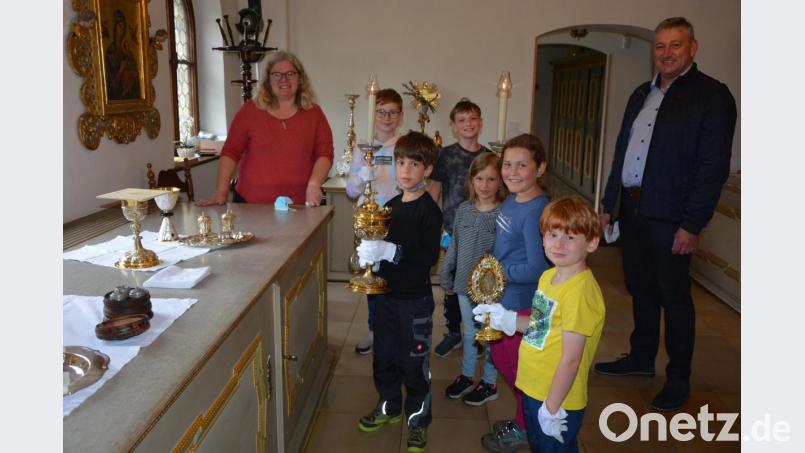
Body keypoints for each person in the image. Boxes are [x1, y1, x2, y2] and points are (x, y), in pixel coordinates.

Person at [593, 17, 737, 412]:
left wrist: (693, 223)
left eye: (676, 45)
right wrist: (610, 205)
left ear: (693, 48)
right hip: (633, 208)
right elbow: (622, 151)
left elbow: (713, 167)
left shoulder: (712, 96)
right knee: (640, 288)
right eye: (660, 46)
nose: (667, 53)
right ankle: (641, 359)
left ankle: (678, 377)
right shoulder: (642, 93)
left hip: (673, 217)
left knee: (674, 299)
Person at [474, 197, 605, 452]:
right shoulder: (548, 277)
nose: (558, 243)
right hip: (533, 385)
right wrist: (507, 319)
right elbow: (540, 325)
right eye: (552, 234)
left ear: (591, 243)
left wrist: (552, 408)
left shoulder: (581, 293)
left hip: (557, 398)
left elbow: (571, 359)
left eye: (570, 237)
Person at [355, 131, 442, 453]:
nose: (405, 170)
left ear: (428, 169)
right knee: (384, 358)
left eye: (414, 164)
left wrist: (392, 252)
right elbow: (379, 247)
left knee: (414, 363)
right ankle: (389, 407)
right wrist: (371, 259)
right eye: (400, 162)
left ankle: (417, 421)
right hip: (385, 298)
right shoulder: (389, 206)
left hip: (414, 303)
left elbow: (427, 258)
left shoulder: (428, 212)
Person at [481, 134, 551, 453]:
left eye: (522, 165)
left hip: (522, 306)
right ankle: (523, 417)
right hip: (503, 300)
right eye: (507, 164)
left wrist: (496, 273)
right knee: (500, 357)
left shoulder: (537, 209)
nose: (511, 171)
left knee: (522, 372)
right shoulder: (512, 198)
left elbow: (537, 268)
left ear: (540, 169)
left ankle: (526, 427)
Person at [197, 51, 333, 207]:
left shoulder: (314, 113)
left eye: (290, 73)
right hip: (250, 205)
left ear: (300, 78)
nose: (284, 79)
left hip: (299, 205)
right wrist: (221, 192)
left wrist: (314, 185)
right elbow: (231, 152)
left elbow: (325, 153)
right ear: (268, 80)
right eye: (276, 74)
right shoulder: (249, 111)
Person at [440, 153, 506, 406]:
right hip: (462, 285)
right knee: (469, 333)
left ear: (500, 181)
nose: (485, 185)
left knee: (488, 335)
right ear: (471, 180)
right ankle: (467, 375)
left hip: (490, 290)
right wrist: (447, 274)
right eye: (480, 178)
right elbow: (454, 246)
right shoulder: (463, 210)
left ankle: (489, 381)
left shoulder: (502, 214)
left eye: (491, 179)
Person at [429, 98, 491, 358]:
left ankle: (477, 332)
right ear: (454, 126)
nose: (468, 124)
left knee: (478, 282)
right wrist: (431, 221)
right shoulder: (445, 155)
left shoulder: (488, 156)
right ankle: (454, 331)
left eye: (473, 119)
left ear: (480, 123)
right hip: (451, 229)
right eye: (462, 120)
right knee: (451, 283)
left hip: (481, 230)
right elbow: (435, 189)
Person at [346, 88, 405, 355]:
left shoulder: (405, 145)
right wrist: (361, 174)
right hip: (370, 224)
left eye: (393, 112)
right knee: (372, 278)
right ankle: (374, 329)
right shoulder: (363, 147)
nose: (387, 117)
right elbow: (351, 191)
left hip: (397, 219)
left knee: (395, 275)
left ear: (401, 116)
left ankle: (396, 328)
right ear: (374, 114)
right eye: (381, 111)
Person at [105, 9, 140, 101]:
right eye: (120, 26)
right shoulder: (110, 50)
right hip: (116, 96)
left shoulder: (127, 49)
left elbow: (137, 73)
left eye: (124, 27)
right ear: (115, 28)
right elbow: (109, 81)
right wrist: (121, 70)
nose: (122, 29)